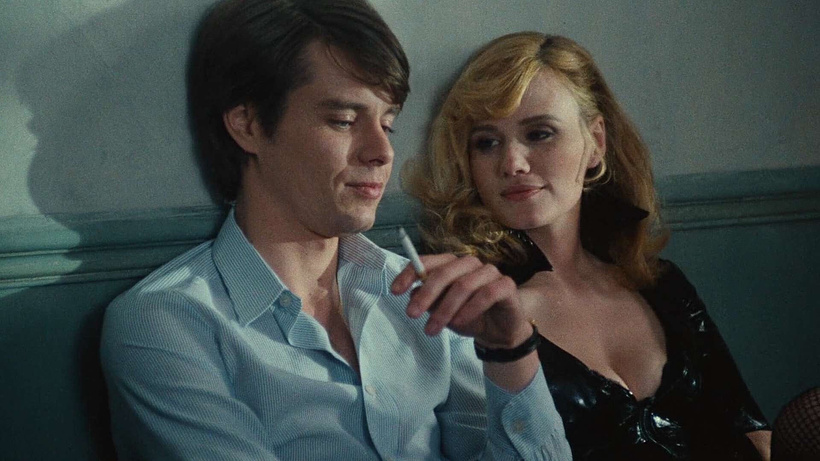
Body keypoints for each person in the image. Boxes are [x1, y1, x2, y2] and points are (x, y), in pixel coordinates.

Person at [100, 1, 571, 460]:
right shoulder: (169, 322)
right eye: (343, 121)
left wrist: (510, 351)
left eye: (387, 124)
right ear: (248, 125)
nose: (382, 151)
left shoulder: (420, 294)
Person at [404, 31, 772, 460]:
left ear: (596, 142)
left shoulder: (662, 285)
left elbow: (753, 433)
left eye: (539, 133)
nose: (513, 163)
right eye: (486, 142)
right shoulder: (469, 311)